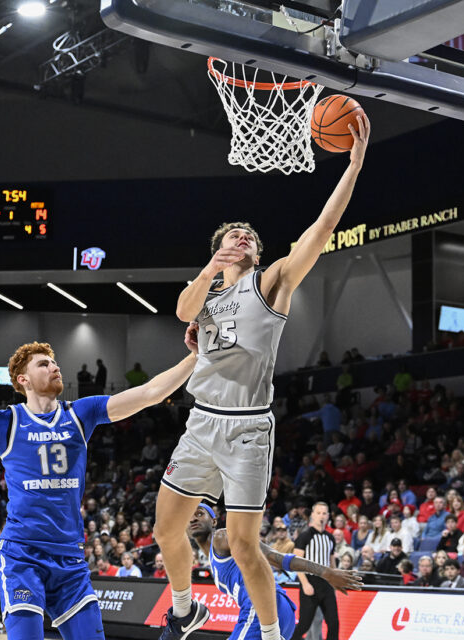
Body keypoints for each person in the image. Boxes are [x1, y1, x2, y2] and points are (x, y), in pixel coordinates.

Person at [158, 114, 370, 640]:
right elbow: (184, 311)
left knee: (247, 546)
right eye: (236, 234)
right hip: (201, 422)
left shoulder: (271, 279)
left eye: (250, 235)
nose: (246, 235)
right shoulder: (206, 297)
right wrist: (208, 271)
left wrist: (355, 163)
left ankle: (273, 637)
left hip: (248, 427)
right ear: (220, 249)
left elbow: (321, 230)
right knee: (166, 530)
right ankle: (186, 610)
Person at [0, 330, 199, 640]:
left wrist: (196, 356)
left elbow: (148, 393)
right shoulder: (5, 422)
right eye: (44, 364)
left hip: (69, 559)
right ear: (23, 380)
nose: (55, 367)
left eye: (55, 363)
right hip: (23, 554)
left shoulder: (80, 414)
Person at [189, 504, 360, 640]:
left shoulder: (221, 537)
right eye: (189, 515)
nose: (192, 519)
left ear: (213, 521)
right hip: (281, 611)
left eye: (199, 514)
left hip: (261, 605)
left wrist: (327, 573)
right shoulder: (210, 557)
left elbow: (278, 558)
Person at [293, 503, 340, 640]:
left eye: (324, 513)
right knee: (304, 625)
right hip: (310, 582)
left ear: (328, 516)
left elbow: (332, 565)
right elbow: (296, 563)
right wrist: (305, 584)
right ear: (312, 515)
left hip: (326, 584)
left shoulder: (330, 538)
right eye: (318, 513)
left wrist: (335, 584)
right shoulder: (305, 536)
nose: (321, 516)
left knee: (334, 622)